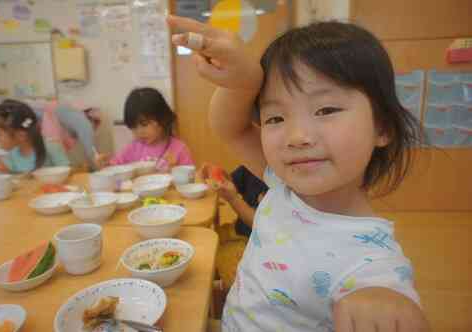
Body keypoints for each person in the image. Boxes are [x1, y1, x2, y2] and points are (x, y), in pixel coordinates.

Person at [169, 16, 429, 332]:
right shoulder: (282, 183)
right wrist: (243, 82)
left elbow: (390, 302)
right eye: (276, 117)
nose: (297, 136)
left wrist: (385, 304)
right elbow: (229, 126)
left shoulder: (374, 265)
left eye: (326, 110)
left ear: (383, 126)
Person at [96, 87, 194, 171]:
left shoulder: (179, 149)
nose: (139, 132)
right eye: (133, 127)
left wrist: (175, 170)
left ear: (162, 118)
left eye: (144, 124)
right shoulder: (133, 148)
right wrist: (106, 165)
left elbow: (191, 180)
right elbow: (115, 169)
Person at [0, 100, 70, 174]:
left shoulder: (51, 147)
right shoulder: (12, 155)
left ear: (21, 135)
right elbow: (20, 180)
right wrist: (5, 170)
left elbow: (69, 173)